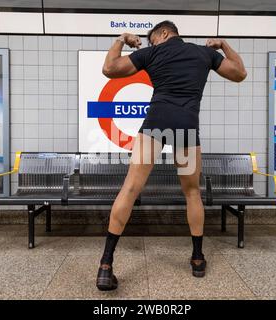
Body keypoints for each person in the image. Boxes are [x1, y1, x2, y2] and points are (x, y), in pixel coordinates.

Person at [96, 20, 247, 291]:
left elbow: (109, 68)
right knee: (192, 193)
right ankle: (198, 259)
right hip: (186, 128)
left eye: (152, 39)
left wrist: (121, 39)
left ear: (164, 33)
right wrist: (223, 45)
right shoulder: (205, 54)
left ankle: (106, 265)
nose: (150, 43)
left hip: (156, 122)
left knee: (130, 189)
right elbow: (239, 73)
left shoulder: (152, 53)